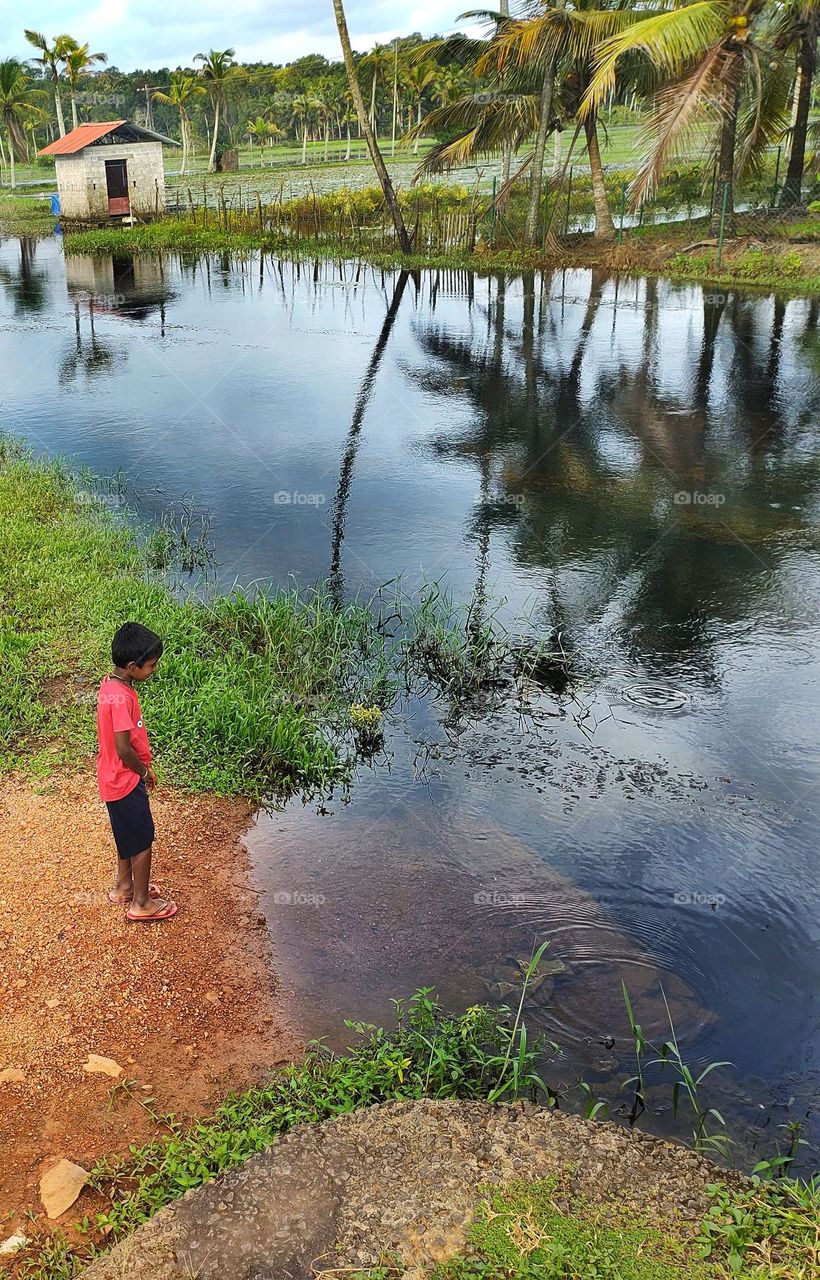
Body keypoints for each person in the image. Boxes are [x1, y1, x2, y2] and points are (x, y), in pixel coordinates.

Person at [97, 622, 177, 922]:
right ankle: (141, 903)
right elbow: (123, 748)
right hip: (125, 779)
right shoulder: (121, 698)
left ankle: (124, 887)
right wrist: (143, 772)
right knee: (142, 839)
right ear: (133, 666)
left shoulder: (111, 684)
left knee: (126, 835)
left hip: (111, 776)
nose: (154, 670)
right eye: (152, 665)